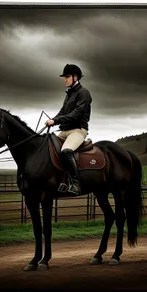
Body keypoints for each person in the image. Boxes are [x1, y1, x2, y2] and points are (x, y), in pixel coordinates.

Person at [45, 64, 92, 195]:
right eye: (64, 77)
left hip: (78, 130)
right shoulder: (69, 95)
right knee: (49, 146)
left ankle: (75, 184)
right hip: (65, 131)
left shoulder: (84, 93)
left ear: (75, 77)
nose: (65, 79)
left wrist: (56, 121)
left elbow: (76, 114)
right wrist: (52, 121)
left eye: (67, 77)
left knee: (66, 151)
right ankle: (61, 181)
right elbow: (62, 112)